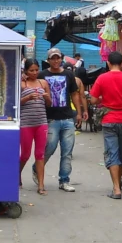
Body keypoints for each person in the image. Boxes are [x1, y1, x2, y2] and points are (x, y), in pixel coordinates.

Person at [89, 51, 122, 200]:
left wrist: (103, 100)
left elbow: (92, 100)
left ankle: (116, 188)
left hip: (108, 119)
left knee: (112, 153)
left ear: (108, 63)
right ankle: (118, 181)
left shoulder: (102, 78)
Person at [34, 47, 86, 192]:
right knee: (49, 149)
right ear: (48, 60)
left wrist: (79, 113)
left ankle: (64, 180)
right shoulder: (42, 75)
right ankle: (36, 169)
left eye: (58, 58)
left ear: (61, 59)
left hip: (68, 118)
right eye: (53, 58)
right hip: (50, 119)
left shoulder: (69, 75)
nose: (56, 60)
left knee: (67, 152)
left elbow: (75, 94)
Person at [20, 58, 50, 195]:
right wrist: (28, 98)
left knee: (40, 154)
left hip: (41, 122)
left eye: (36, 70)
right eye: (31, 70)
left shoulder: (43, 83)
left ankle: (41, 185)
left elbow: (50, 104)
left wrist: (46, 97)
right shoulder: (22, 84)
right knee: (25, 154)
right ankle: (17, 174)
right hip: (26, 123)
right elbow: (15, 104)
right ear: (26, 70)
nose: (34, 73)